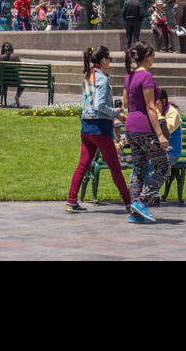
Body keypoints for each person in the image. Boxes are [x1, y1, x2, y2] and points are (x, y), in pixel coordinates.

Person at [65, 45, 134, 214]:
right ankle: (128, 202)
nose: (110, 61)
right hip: (100, 128)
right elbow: (100, 105)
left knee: (83, 165)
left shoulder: (88, 76)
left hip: (86, 127)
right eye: (109, 58)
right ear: (103, 60)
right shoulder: (102, 79)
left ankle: (71, 201)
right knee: (115, 167)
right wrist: (116, 113)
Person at [123, 42, 170, 221]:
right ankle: (142, 202)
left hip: (131, 127)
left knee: (139, 168)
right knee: (163, 165)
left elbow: (126, 103)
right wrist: (160, 134)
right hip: (144, 128)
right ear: (147, 56)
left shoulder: (130, 75)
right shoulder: (146, 77)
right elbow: (151, 107)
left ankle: (135, 212)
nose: (154, 57)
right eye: (153, 54)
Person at [0, 41, 23, 107]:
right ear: (11, 49)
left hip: (2, 80)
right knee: (22, 84)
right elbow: (19, 68)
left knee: (0, 81)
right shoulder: (15, 57)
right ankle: (17, 96)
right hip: (13, 80)